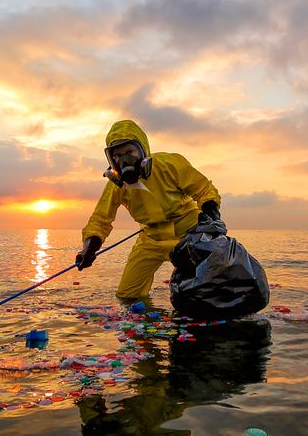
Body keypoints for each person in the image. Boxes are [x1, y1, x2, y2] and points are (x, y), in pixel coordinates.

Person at [75, 119, 221, 300]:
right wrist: (89, 247)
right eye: (117, 155)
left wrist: (211, 215)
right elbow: (100, 219)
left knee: (207, 292)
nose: (124, 159)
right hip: (150, 239)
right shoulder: (116, 186)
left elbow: (204, 189)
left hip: (189, 235)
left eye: (129, 152)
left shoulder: (169, 164)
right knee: (127, 295)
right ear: (111, 159)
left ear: (143, 149)